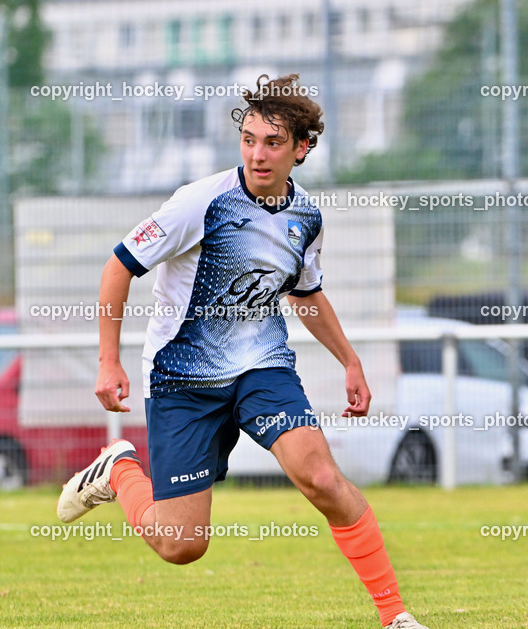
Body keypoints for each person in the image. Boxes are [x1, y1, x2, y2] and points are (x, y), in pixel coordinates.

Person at [57, 74, 428, 629]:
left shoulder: (307, 217)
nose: (258, 153)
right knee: (181, 546)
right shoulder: (198, 203)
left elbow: (303, 293)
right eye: (249, 139)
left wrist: (349, 360)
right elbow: (118, 267)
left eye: (273, 143)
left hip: (262, 368)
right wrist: (108, 360)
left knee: (323, 478)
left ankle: (395, 616)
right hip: (183, 377)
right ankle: (119, 471)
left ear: (301, 149)